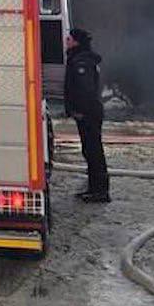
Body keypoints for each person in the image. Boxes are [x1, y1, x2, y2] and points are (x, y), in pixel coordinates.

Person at [63, 28, 110, 203]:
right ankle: (94, 188)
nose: (66, 41)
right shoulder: (81, 59)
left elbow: (85, 90)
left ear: (76, 42)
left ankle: (100, 191)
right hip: (88, 113)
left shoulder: (82, 62)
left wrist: (80, 111)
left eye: (69, 39)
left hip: (88, 114)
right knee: (89, 150)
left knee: (93, 151)